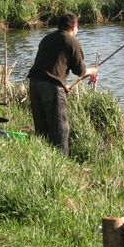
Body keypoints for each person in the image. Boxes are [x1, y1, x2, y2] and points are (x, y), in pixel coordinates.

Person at [27, 13, 97, 155]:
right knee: (60, 128)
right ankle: (62, 164)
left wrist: (62, 86)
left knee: (42, 128)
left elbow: (49, 67)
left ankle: (44, 159)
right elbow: (81, 71)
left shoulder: (47, 39)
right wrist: (93, 70)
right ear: (73, 27)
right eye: (77, 26)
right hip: (50, 86)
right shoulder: (71, 41)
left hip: (34, 83)